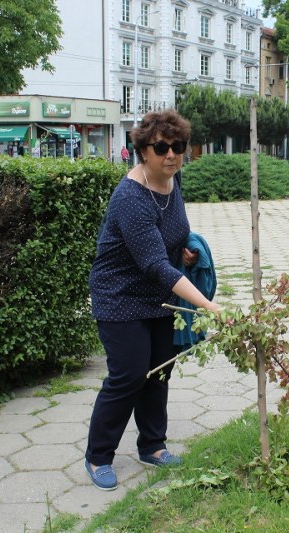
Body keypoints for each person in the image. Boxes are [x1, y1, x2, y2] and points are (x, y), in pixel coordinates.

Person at [85, 109, 219, 491]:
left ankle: (153, 446)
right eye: (162, 148)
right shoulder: (130, 196)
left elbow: (174, 237)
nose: (172, 154)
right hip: (120, 296)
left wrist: (186, 254)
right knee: (128, 376)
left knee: (159, 372)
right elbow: (154, 264)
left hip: (159, 298)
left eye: (179, 146)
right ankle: (98, 456)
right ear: (143, 150)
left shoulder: (173, 182)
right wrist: (208, 307)